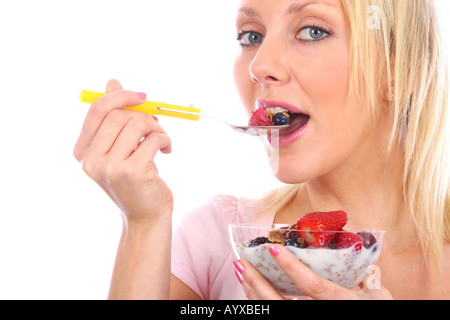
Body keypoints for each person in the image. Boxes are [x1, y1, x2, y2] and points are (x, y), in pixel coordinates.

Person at [73, 0, 450, 300]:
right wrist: (142, 226)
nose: (260, 66)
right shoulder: (215, 241)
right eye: (251, 36)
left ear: (399, 69)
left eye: (312, 30)